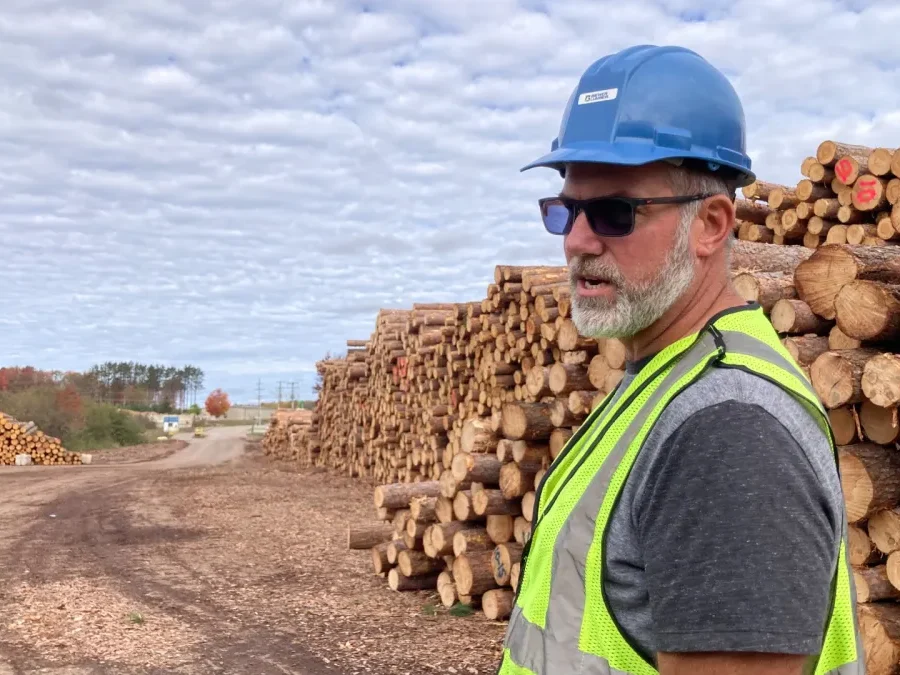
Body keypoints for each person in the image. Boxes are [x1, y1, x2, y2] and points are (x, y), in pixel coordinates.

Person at [498, 45, 864, 675]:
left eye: (614, 211)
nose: (578, 240)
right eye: (564, 210)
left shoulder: (729, 432)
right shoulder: (663, 376)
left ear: (711, 225)